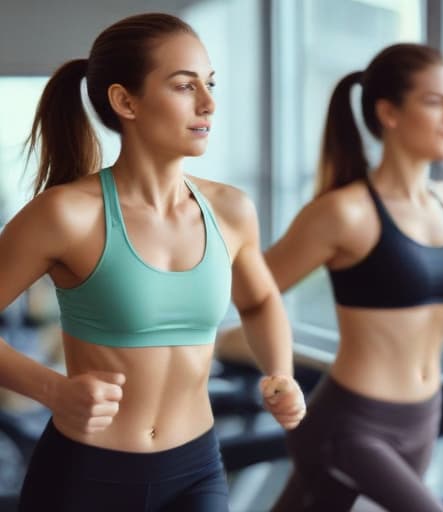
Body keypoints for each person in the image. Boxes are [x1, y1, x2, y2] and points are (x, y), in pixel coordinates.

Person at [0, 13, 305, 512]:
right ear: (125, 101)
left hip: (196, 472)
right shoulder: (66, 215)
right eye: (185, 86)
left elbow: (261, 300)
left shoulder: (231, 212)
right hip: (85, 477)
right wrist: (54, 391)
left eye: (209, 84)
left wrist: (281, 371)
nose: (208, 103)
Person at [216, 43, 443, 511]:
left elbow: (438, 322)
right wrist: (261, 362)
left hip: (421, 419)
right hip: (350, 424)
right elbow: (250, 293)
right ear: (388, 113)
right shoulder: (342, 213)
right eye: (435, 102)